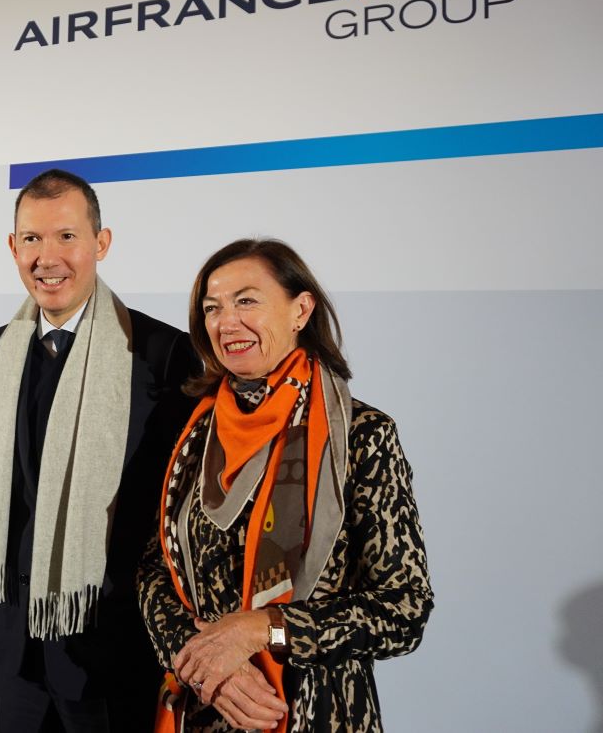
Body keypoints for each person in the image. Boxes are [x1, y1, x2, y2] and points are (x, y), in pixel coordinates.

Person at [137, 238, 433, 733]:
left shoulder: (362, 435)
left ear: (301, 309)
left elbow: (404, 608)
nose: (226, 322)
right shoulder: (193, 435)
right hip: (207, 706)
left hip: (313, 714)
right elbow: (153, 569)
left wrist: (263, 629)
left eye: (246, 300)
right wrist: (209, 665)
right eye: (213, 308)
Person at [0, 169, 196, 732]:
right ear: (12, 247)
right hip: (16, 634)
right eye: (32, 239)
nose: (48, 257)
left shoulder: (164, 353)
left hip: (110, 634)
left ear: (101, 242)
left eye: (67, 236)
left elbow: (176, 509)